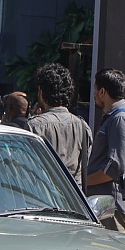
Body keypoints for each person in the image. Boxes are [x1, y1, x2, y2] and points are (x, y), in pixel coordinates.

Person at [86, 68, 125, 233]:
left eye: (95, 90)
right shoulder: (115, 118)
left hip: (111, 208)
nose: (94, 94)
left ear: (102, 91)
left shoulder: (121, 120)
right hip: (104, 206)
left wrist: (83, 183)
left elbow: (115, 168)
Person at [28, 63, 91, 191]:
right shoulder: (83, 127)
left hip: (42, 199)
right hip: (74, 202)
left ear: (42, 92)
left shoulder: (34, 126)